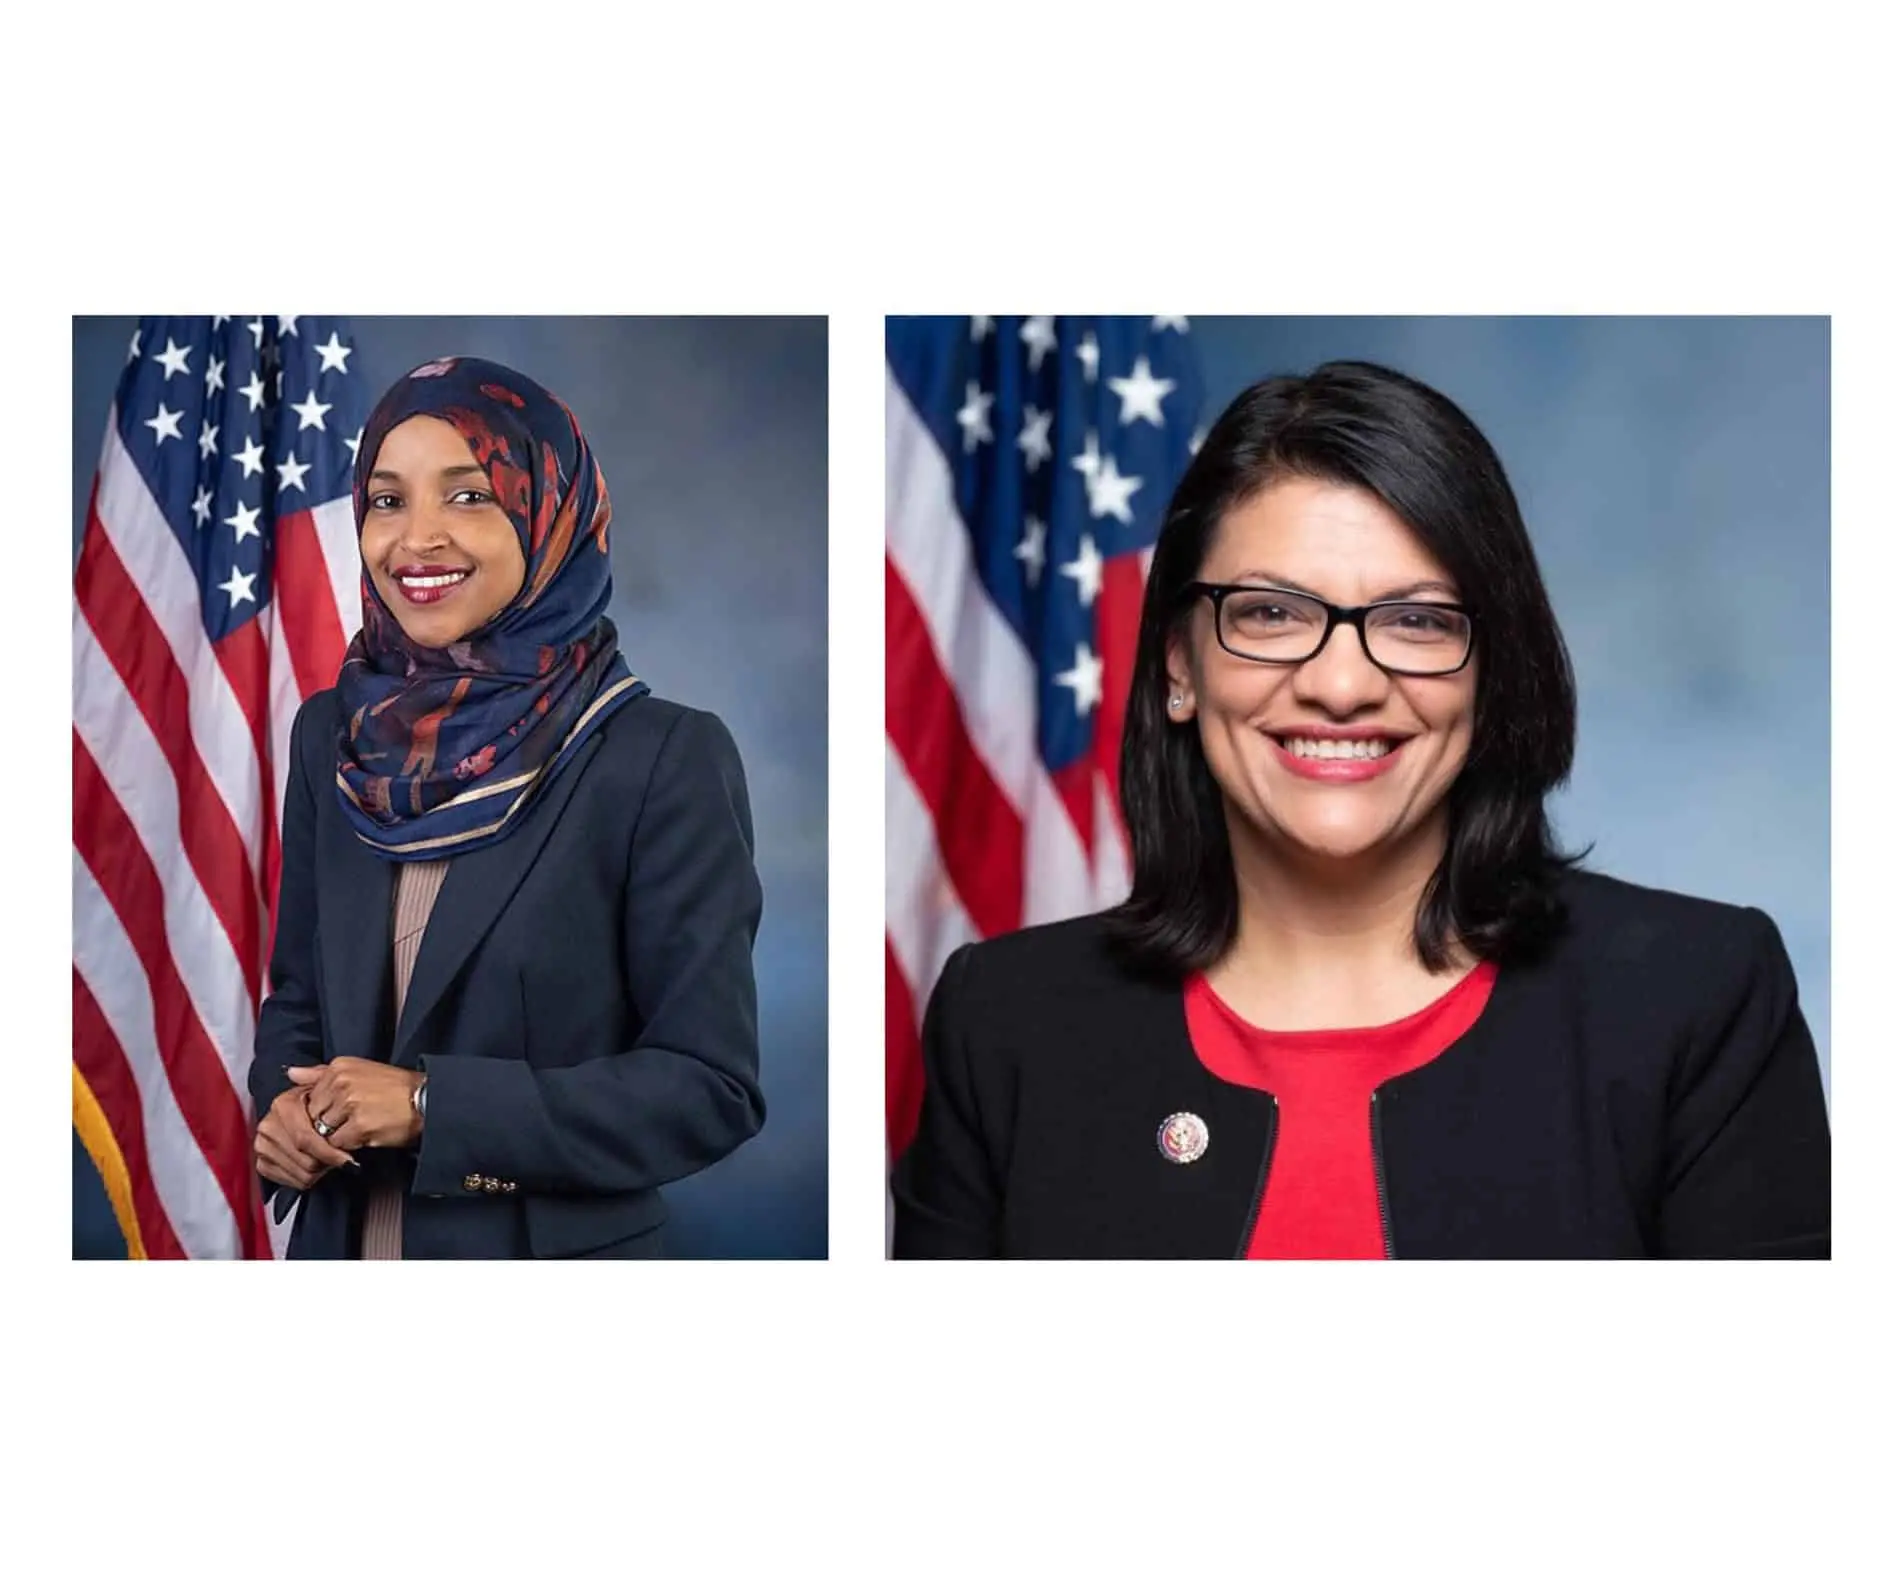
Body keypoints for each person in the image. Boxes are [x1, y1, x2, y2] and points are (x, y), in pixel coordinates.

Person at [891, 360, 1830, 1260]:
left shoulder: (1696, 1000)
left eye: (1417, 620)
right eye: (1270, 613)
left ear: (1492, 671)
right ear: (1180, 665)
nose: (1341, 686)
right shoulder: (1006, 1022)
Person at [249, 355, 763, 1258]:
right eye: (386, 500)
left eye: (469, 496)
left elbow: (707, 1090)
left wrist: (430, 1108)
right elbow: (300, 994)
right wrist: (281, 1109)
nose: (416, 539)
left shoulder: (657, 758)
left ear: (550, 515)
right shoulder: (331, 734)